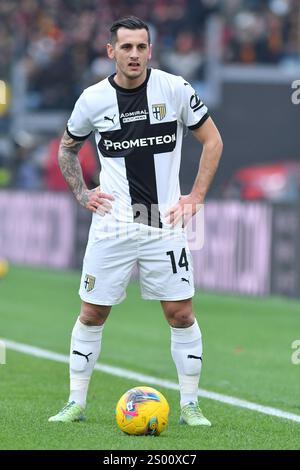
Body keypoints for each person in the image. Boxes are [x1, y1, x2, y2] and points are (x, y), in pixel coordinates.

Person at [48, 16, 223, 426]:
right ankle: (76, 402)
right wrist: (81, 192)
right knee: (92, 312)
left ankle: (190, 405)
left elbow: (213, 140)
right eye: (125, 47)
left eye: (141, 47)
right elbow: (66, 149)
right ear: (111, 51)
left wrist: (196, 196)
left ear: (150, 50)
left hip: (164, 220)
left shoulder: (175, 89)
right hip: (115, 222)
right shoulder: (92, 99)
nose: (134, 55)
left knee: (180, 313)